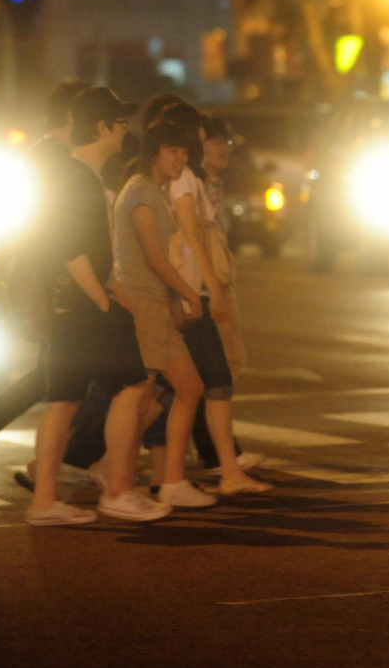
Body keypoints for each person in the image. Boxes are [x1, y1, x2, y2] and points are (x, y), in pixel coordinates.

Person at [26, 87, 168, 525]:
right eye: (120, 123)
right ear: (102, 127)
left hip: (66, 303)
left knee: (63, 400)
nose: (126, 130)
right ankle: (119, 490)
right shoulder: (79, 179)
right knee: (133, 384)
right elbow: (70, 247)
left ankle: (44, 502)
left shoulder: (76, 176)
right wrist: (103, 300)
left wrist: (109, 290)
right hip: (83, 304)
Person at [0, 79, 89, 484]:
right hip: (52, 279)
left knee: (57, 371)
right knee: (73, 372)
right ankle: (64, 464)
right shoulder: (53, 158)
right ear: (71, 117)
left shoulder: (44, 155)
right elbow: (50, 228)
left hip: (48, 276)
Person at [158, 104, 270, 497]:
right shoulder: (185, 181)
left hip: (191, 290)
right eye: (207, 138)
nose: (215, 146)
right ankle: (203, 470)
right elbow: (192, 238)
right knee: (201, 383)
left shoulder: (188, 180)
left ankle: (194, 469)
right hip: (193, 292)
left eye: (223, 140)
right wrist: (211, 292)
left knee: (182, 385)